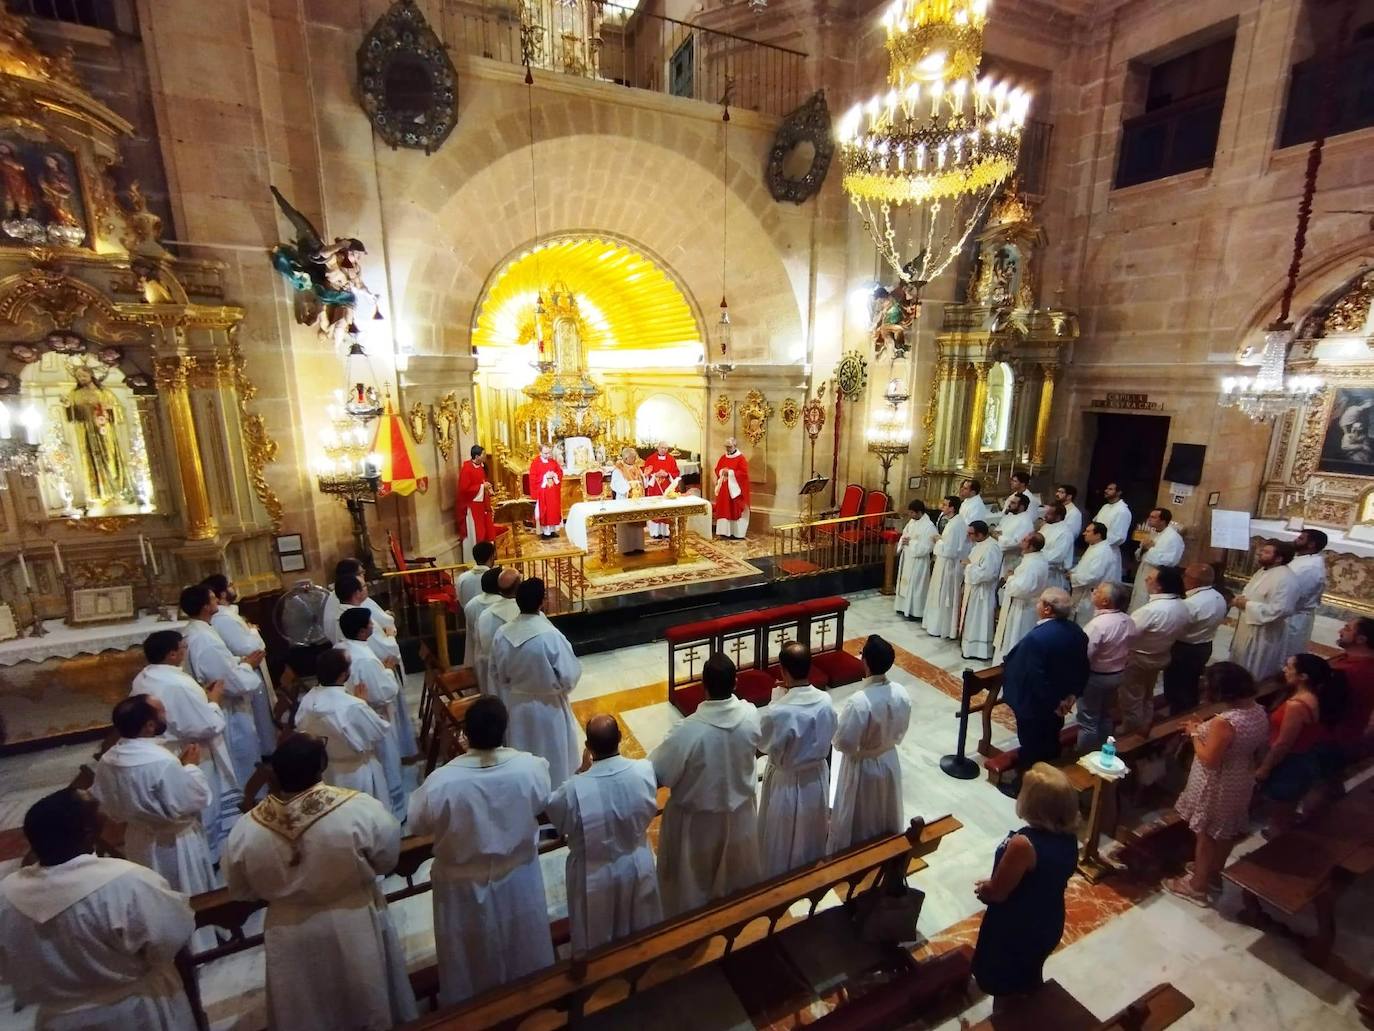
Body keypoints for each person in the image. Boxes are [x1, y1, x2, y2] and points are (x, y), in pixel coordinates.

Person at [224, 733, 416, 1030]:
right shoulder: (357, 808)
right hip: (352, 914)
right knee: (366, 996)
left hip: (287, 926)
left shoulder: (246, 829)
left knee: (305, 1006)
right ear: (320, 768)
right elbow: (387, 857)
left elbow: (240, 889)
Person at [0, 789, 197, 1030]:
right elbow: (172, 936)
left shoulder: (7, 895)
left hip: (58, 1017)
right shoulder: (127, 883)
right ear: (87, 832)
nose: (104, 814)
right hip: (133, 1009)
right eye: (97, 811)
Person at [408, 696, 554, 1005]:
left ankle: (473, 1008)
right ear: (504, 730)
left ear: (465, 733)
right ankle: (532, 1002)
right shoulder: (530, 767)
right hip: (518, 877)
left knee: (471, 955)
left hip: (463, 886)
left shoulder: (441, 782)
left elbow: (417, 824)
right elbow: (542, 803)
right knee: (522, 944)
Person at [650, 653, 762, 916]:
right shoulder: (750, 714)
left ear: (704, 686)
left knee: (691, 893)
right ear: (735, 683)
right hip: (739, 818)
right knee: (737, 891)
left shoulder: (687, 731)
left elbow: (658, 772)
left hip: (697, 826)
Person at [546, 715, 662, 954]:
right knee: (639, 929)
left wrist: (579, 772)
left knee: (597, 939)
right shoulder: (643, 770)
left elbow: (558, 819)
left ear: (588, 748)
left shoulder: (573, 789)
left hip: (594, 873)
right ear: (620, 739)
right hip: (637, 861)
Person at [1161, 664, 1268, 907]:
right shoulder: (1257, 710)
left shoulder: (1225, 721)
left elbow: (1209, 760)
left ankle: (1197, 887)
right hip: (1240, 776)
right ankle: (1212, 873)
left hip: (1216, 782)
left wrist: (1195, 733)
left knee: (1206, 834)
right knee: (1225, 830)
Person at [972, 764, 1079, 1005]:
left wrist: (985, 889)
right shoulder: (1069, 837)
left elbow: (998, 893)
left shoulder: (1024, 845)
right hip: (1048, 919)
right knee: (1028, 978)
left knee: (1006, 986)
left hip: (1017, 927)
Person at [92, 696, 216, 898]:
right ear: (149, 726)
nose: (165, 715)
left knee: (152, 894)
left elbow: (108, 805)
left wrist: (179, 768)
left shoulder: (108, 759)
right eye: (161, 712)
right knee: (184, 893)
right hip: (175, 843)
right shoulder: (161, 760)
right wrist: (192, 767)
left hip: (137, 838)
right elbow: (194, 800)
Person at [132, 629, 239, 860]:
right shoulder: (178, 684)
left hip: (162, 748)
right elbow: (206, 726)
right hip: (189, 751)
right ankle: (211, 853)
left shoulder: (144, 676)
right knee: (201, 801)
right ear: (172, 655)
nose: (185, 651)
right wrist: (213, 701)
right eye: (182, 648)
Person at [493, 577, 583, 789]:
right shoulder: (550, 636)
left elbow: (497, 673)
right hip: (549, 708)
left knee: (523, 753)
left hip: (517, 706)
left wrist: (517, 688)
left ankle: (529, 794)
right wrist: (554, 690)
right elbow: (570, 675)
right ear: (542, 601)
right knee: (556, 759)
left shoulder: (503, 634)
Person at [758, 642, 837, 877]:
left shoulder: (779, 711)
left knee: (783, 837)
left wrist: (776, 699)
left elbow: (763, 744)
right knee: (810, 830)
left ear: (783, 671)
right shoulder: (825, 700)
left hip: (787, 781)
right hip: (817, 777)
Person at [1000, 589, 1089, 794]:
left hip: (1035, 704)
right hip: (1059, 701)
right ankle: (1049, 776)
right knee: (1050, 738)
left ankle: (1025, 786)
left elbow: (1036, 678)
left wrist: (1054, 704)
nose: (1037, 605)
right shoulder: (1077, 632)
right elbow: (1082, 667)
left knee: (1031, 743)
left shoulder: (1038, 638)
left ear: (1047, 609)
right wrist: (1071, 697)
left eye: (1039, 602)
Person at [827, 636, 911, 853]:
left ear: (864, 661)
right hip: (889, 759)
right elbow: (901, 729)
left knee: (861, 815)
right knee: (884, 810)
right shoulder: (901, 692)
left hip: (862, 767)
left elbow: (843, 742)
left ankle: (856, 856)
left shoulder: (859, 701)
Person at [181, 583, 266, 787]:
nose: (217, 601)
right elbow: (229, 682)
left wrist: (237, 662)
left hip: (219, 702)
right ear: (204, 607)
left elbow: (221, 665)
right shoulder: (204, 639)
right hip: (227, 708)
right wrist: (247, 666)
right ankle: (247, 796)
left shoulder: (197, 631)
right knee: (240, 756)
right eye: (212, 598)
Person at [1256, 653, 1348, 835]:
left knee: (1280, 815)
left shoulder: (1297, 705)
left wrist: (1264, 768)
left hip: (1291, 763)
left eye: (1289, 667)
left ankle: (1279, 849)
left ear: (1303, 676)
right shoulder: (1313, 696)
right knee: (1286, 808)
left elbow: (1284, 743)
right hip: (1302, 758)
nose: (1284, 670)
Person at [293, 646, 390, 809]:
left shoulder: (308, 699)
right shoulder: (353, 705)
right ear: (344, 674)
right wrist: (364, 703)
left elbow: (301, 727)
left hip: (326, 770)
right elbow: (378, 732)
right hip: (355, 771)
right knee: (364, 813)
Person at [339, 607, 407, 820]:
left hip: (356, 713)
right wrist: (387, 671)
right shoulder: (366, 659)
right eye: (370, 624)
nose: (372, 626)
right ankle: (394, 812)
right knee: (385, 761)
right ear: (361, 631)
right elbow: (382, 693)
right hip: (374, 717)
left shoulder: (343, 648)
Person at [204, 573, 276, 755]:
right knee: (258, 720)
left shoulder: (226, 615)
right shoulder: (224, 619)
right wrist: (252, 632)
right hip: (245, 672)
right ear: (221, 594)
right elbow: (250, 648)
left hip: (246, 670)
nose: (233, 587)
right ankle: (266, 752)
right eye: (229, 585)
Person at [1118, 565, 1190, 736]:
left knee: (1131, 698)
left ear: (1160, 586)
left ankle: (1132, 733)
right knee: (1147, 694)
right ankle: (1146, 722)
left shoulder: (1151, 610)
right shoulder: (1182, 604)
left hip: (1139, 658)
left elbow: (1127, 634)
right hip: (1161, 654)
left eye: (1150, 578)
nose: (1146, 580)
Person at [1074, 583, 1137, 753]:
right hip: (1117, 673)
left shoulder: (1099, 625)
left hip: (1096, 676)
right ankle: (1103, 748)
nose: (1094, 592)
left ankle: (1083, 757)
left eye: (1098, 591)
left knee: (1088, 720)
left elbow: (1085, 654)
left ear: (1105, 601)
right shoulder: (1128, 620)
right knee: (1105, 714)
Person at [1162, 564, 1229, 714]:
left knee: (1177, 688)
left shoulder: (1192, 603)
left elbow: (1176, 626)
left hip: (1184, 649)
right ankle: (1186, 710)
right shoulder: (1218, 597)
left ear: (1193, 580)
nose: (1182, 578)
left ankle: (1178, 718)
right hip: (1204, 646)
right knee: (1191, 683)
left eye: (1185, 575)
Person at [1229, 539, 1299, 682]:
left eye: (1266, 552)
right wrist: (1241, 601)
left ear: (1279, 558)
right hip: (1247, 625)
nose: (1260, 553)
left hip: (1264, 633)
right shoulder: (1264, 571)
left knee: (1255, 668)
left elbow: (1282, 609)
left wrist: (1247, 605)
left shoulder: (1285, 579)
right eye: (1262, 550)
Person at [993, 532, 1049, 665]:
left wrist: (1010, 578)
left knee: (1015, 638)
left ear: (1031, 546)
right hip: (1023, 605)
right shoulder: (1036, 559)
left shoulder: (1032, 564)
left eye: (1024, 540)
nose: (1021, 541)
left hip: (1022, 607)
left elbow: (1022, 588)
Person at [1329, 618, 1374, 772]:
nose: (1340, 631)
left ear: (1361, 639)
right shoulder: (1354, 662)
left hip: (1333, 739)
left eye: (1347, 629)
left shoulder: (1352, 672)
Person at [923, 495, 968, 638]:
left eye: (945, 504)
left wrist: (938, 540)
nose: (942, 507)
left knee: (943, 596)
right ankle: (935, 624)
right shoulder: (955, 522)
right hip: (944, 563)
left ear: (952, 508)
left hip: (948, 565)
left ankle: (940, 627)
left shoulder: (956, 525)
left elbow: (951, 550)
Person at [476, 567, 522, 696]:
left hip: (493, 678)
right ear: (519, 587)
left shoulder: (485, 615)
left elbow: (480, 648)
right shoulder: (524, 614)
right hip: (521, 679)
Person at [1128, 508, 1184, 613]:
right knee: (1138, 599)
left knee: (1147, 602)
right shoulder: (1153, 533)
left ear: (1163, 520)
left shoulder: (1173, 538)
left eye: (1153, 517)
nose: (1149, 519)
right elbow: (1139, 554)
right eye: (1149, 516)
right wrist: (1144, 548)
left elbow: (1169, 561)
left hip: (1157, 576)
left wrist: (1150, 549)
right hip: (1143, 572)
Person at [960, 520, 1000, 661]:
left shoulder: (992, 548)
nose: (968, 536)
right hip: (974, 589)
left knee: (981, 621)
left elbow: (989, 573)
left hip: (984, 592)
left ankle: (980, 650)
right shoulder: (979, 545)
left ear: (980, 534)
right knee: (972, 620)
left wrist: (969, 566)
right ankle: (969, 647)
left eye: (971, 534)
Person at [1285, 529, 1329, 657]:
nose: (1295, 540)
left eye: (1300, 538)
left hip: (1294, 618)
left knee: (1287, 655)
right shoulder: (1303, 560)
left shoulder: (1310, 568)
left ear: (1311, 544)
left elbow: (1297, 596)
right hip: (1289, 614)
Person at [894, 499, 938, 619]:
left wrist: (911, 543)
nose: (911, 516)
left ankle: (915, 612)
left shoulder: (929, 527)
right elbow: (905, 534)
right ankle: (902, 607)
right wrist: (903, 541)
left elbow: (928, 547)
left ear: (919, 512)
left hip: (918, 561)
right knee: (904, 583)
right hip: (907, 558)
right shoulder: (912, 522)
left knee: (916, 587)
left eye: (912, 513)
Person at [1069, 521, 1116, 625]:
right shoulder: (1094, 547)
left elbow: (1093, 576)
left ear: (1098, 535)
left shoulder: (1103, 551)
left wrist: (1073, 577)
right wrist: (1073, 572)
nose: (1084, 533)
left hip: (1093, 594)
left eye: (1088, 531)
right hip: (1083, 592)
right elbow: (1082, 565)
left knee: (1086, 623)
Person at [462, 566, 503, 677]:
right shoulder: (504, 605)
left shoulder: (471, 604)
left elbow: (470, 631)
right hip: (500, 658)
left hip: (479, 655)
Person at [610, 446, 647, 554]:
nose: (635, 459)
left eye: (635, 457)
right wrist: (631, 486)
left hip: (637, 501)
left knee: (637, 524)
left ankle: (638, 546)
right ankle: (627, 549)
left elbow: (643, 481)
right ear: (626, 458)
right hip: (624, 500)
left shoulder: (636, 468)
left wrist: (645, 476)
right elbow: (616, 484)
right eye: (633, 457)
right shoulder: (618, 470)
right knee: (625, 524)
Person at [456, 444, 497, 543]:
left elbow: (482, 481)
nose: (485, 456)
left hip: (482, 503)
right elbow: (464, 489)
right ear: (477, 456)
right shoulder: (467, 469)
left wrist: (487, 487)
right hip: (473, 505)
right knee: (477, 532)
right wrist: (483, 487)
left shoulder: (480, 467)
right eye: (483, 454)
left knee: (486, 529)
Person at [713, 436, 751, 539]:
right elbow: (717, 469)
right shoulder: (723, 457)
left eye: (729, 447)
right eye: (726, 447)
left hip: (735, 490)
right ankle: (724, 532)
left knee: (734, 509)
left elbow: (743, 474)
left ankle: (736, 532)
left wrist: (730, 472)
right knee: (724, 508)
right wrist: (721, 471)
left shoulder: (741, 458)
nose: (727, 449)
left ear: (735, 446)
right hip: (724, 489)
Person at [643, 441, 681, 539]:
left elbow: (676, 473)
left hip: (667, 487)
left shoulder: (671, 459)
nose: (664, 450)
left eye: (666, 448)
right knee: (656, 508)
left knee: (666, 509)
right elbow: (646, 473)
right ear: (658, 448)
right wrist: (654, 474)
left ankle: (666, 532)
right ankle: (655, 533)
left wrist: (667, 474)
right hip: (655, 487)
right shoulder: (650, 459)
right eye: (662, 448)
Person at [1093, 481, 1133, 570]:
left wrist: (1099, 540)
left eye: (1110, 489)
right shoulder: (1105, 507)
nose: (1106, 491)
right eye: (1107, 488)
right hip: (1096, 547)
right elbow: (1095, 525)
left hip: (1109, 551)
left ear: (1119, 492)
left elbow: (1118, 536)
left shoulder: (1122, 511)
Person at [529, 443, 564, 538]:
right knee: (545, 511)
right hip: (543, 492)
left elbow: (559, 472)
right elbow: (533, 478)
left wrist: (554, 475)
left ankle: (552, 530)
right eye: (545, 453)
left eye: (549, 453)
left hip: (553, 492)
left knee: (553, 510)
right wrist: (545, 476)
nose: (548, 455)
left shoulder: (553, 462)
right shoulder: (535, 463)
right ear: (540, 452)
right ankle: (545, 532)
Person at [996, 494, 1035, 575]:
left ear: (1021, 507)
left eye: (1013, 503)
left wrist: (998, 537)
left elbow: (1017, 542)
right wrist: (998, 534)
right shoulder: (1010, 516)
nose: (1009, 504)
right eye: (1010, 501)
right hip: (1003, 558)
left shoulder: (1025, 521)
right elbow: (999, 529)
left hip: (1015, 559)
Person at [1039, 503, 1074, 590]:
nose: (1045, 516)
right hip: (1042, 571)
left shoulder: (1065, 533)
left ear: (1058, 516)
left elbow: (1057, 556)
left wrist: (1036, 556)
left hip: (1055, 576)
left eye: (1049, 514)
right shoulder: (1046, 527)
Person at [456, 540, 496, 609]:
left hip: (469, 616)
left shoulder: (462, 577)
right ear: (492, 557)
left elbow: (460, 601)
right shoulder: (497, 578)